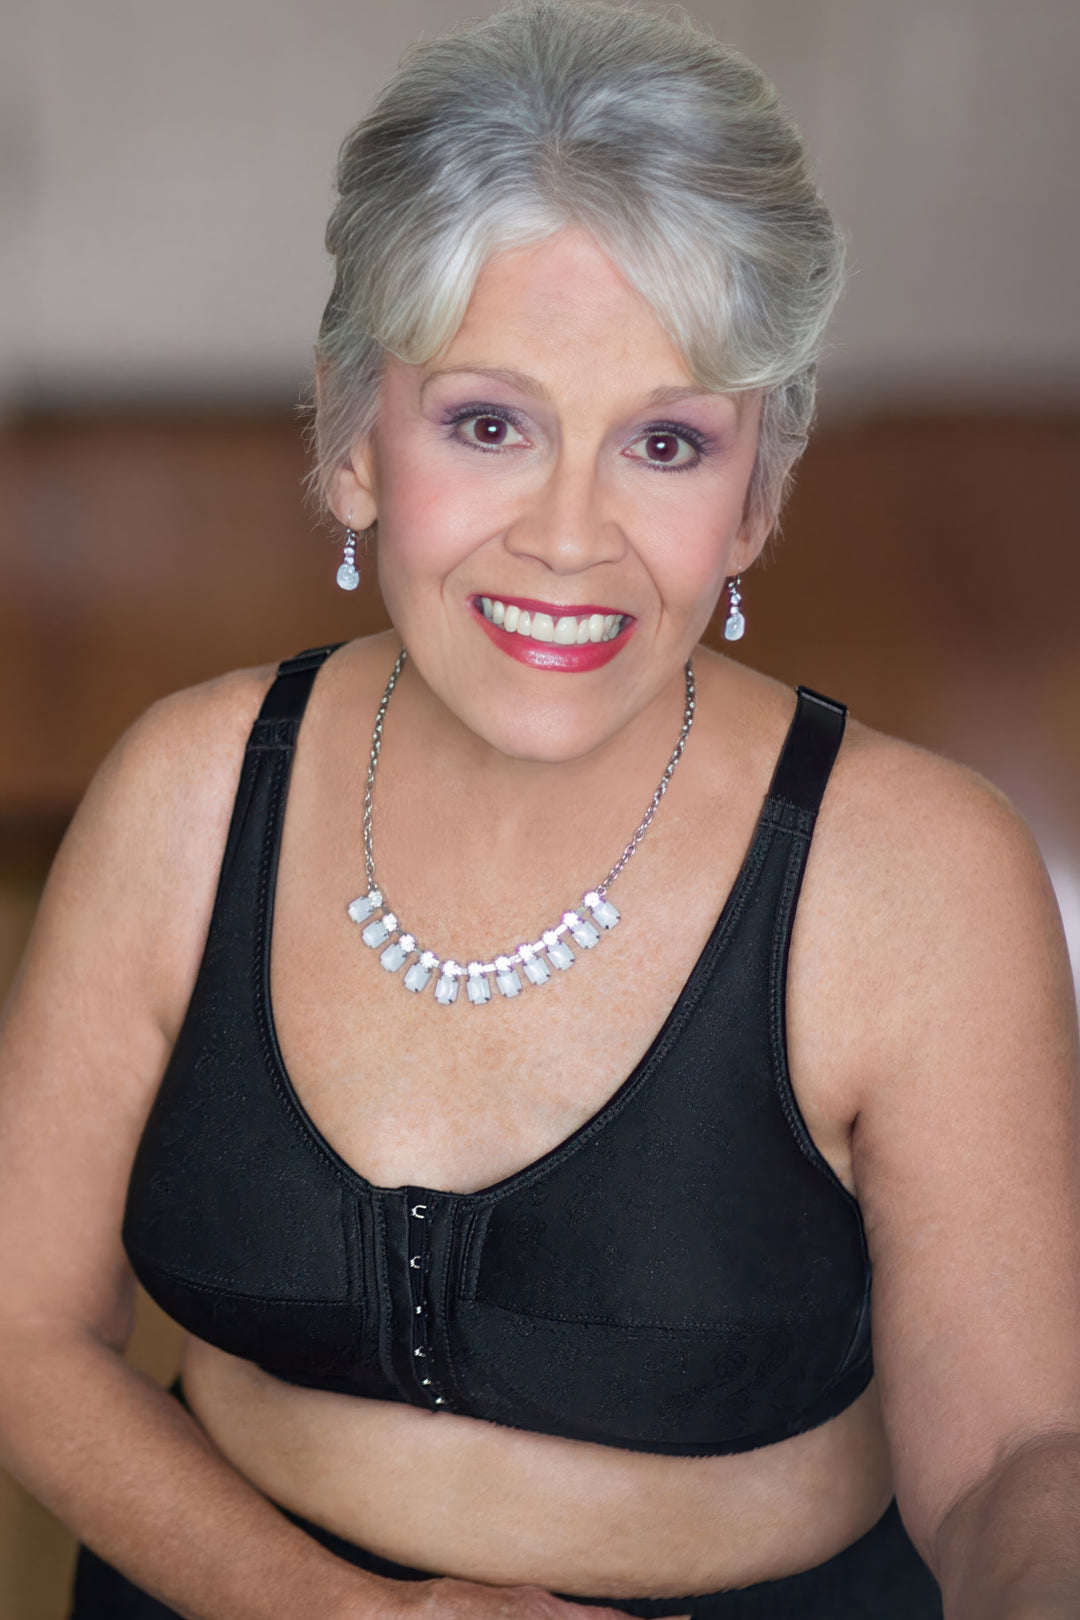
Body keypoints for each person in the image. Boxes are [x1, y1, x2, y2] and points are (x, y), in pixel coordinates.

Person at [1, 2, 1078, 1616]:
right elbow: (21, 1329)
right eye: (489, 424)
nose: (570, 538)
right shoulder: (189, 789)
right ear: (358, 436)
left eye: (665, 441)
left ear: (759, 490)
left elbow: (1015, 1457)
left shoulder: (918, 875)